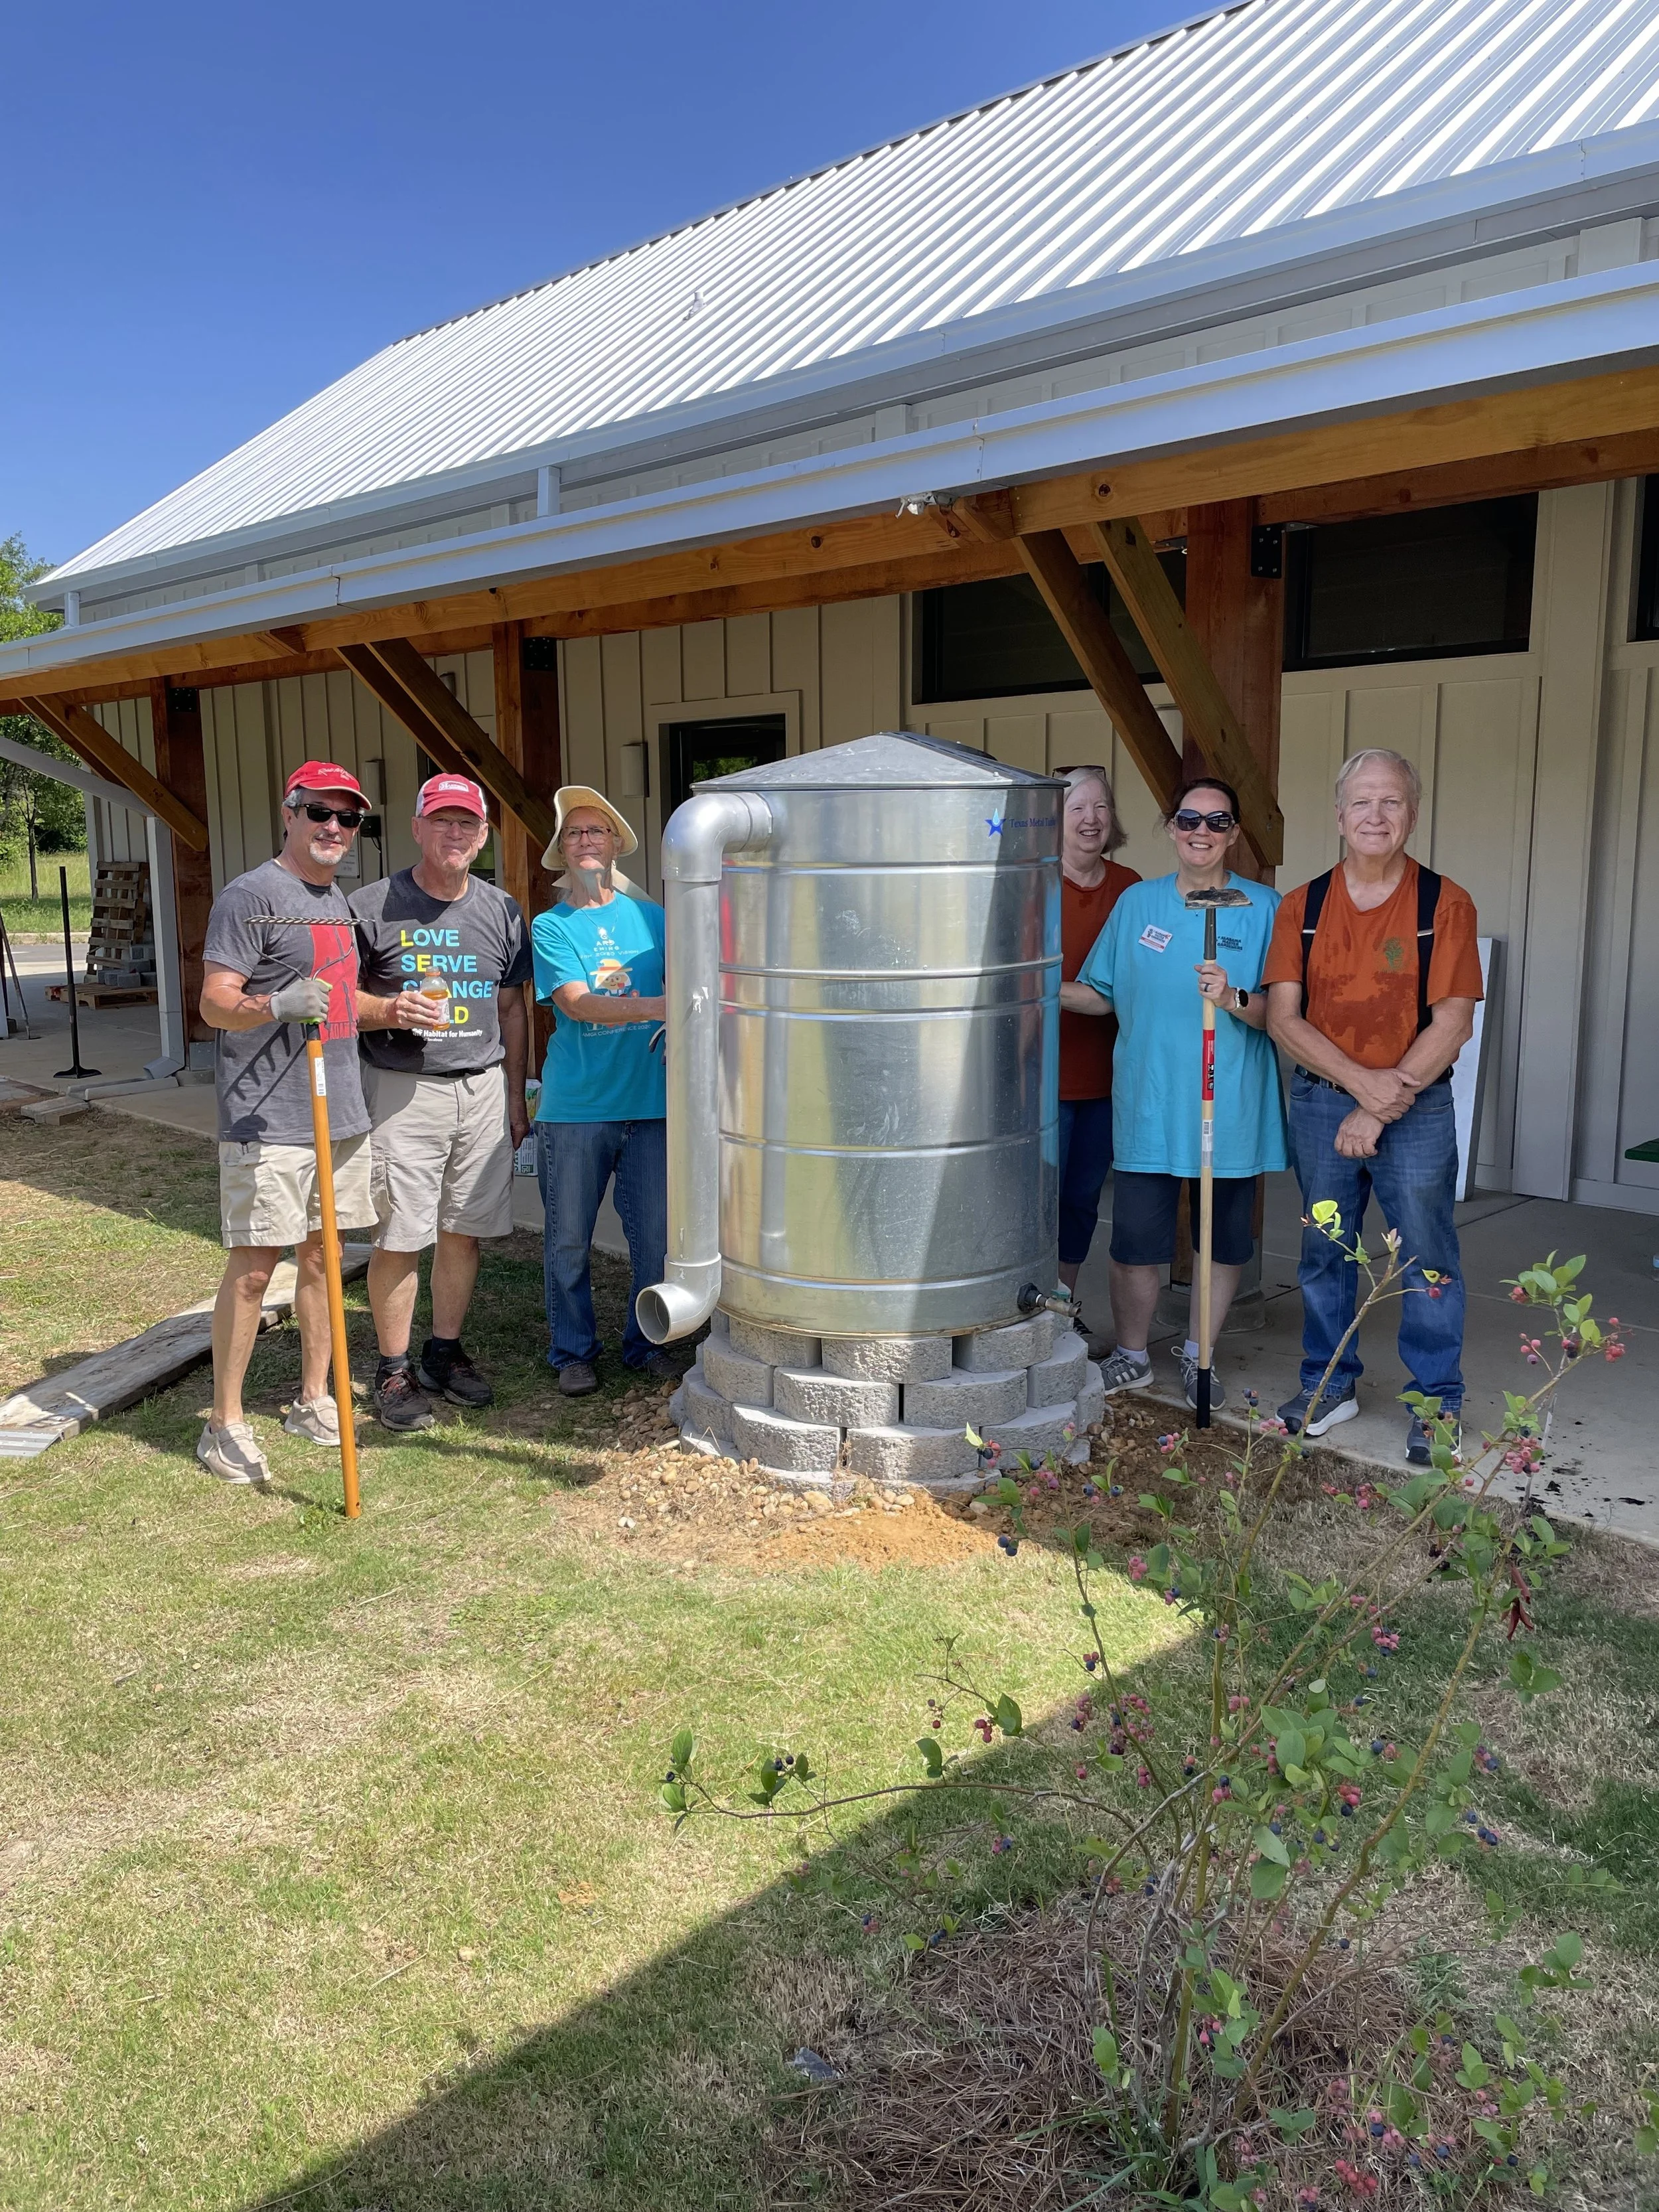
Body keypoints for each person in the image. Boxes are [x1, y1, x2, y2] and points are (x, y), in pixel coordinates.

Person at [1263, 747, 1481, 1463]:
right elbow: (1283, 1019)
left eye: (1391, 802)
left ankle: (1435, 1400)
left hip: (1414, 1108)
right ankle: (1330, 1384)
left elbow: (1451, 1022)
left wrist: (1380, 1103)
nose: (1375, 815)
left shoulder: (1441, 902)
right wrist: (1360, 1088)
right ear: (1338, 816)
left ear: (1411, 815)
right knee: (1325, 1252)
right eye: (1362, 802)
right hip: (1327, 1106)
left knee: (1427, 1257)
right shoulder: (1303, 905)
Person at [1062, 777, 1286, 1410]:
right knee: (1135, 1240)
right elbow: (1101, 990)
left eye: (1217, 822)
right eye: (1189, 820)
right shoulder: (1137, 904)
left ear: (1235, 833)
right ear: (1171, 827)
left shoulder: (1265, 908)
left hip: (1230, 1106)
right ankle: (1132, 1356)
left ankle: (1199, 1353)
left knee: (1220, 1239)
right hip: (1150, 1101)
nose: (1202, 832)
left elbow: (1286, 1015)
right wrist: (1036, 987)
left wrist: (1234, 998)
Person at [196, 761, 377, 1483]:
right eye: (319, 813)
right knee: (253, 1270)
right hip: (267, 1115)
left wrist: (394, 1011)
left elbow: (341, 1002)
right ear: (290, 813)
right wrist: (272, 1006)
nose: (333, 827)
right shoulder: (251, 896)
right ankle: (224, 1424)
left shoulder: (339, 904)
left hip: (339, 1108)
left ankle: (311, 1399)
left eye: (348, 817)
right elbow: (214, 1001)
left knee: (322, 1259)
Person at [351, 773, 534, 1432]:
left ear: (483, 834)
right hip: (404, 1089)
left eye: (467, 824)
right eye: (442, 821)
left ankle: (444, 1351)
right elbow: (338, 1005)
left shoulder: (503, 911)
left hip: (481, 1088)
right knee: (400, 1234)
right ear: (418, 828)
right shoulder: (371, 906)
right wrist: (390, 1008)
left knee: (465, 1230)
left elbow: (511, 1009)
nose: (454, 834)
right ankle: (393, 1367)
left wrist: (515, 1097)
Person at [530, 786, 678, 1396]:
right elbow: (577, 1002)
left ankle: (647, 1345)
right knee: (569, 1237)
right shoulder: (551, 925)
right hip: (577, 1107)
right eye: (574, 834)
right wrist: (661, 1005)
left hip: (652, 1104)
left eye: (596, 831)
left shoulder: (656, 920)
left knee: (656, 1239)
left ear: (616, 843)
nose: (586, 841)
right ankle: (573, 1351)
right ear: (563, 851)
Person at [1054, 766, 1140, 1355]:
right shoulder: (1028, 880)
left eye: (1101, 807)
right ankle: (1018, 1307)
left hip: (1107, 1075)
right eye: (1077, 807)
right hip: (1040, 1075)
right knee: (1038, 1197)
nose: (1091, 819)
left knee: (1084, 1196)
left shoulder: (1132, 887)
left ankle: (1059, 1304)